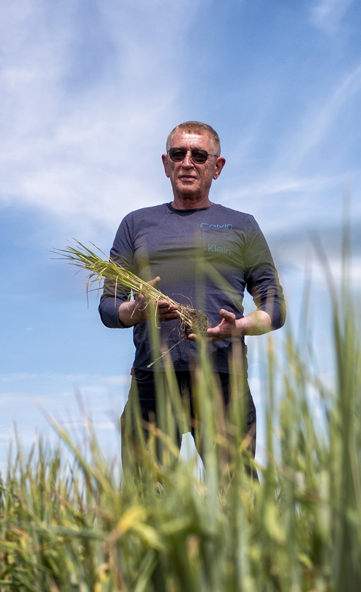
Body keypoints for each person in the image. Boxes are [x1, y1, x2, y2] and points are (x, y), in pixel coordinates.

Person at [98, 121, 284, 471]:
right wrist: (135, 312)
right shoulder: (135, 225)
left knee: (236, 498)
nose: (187, 162)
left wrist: (239, 327)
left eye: (199, 155)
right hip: (152, 379)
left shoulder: (242, 226)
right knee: (144, 499)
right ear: (166, 163)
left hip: (223, 380)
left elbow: (274, 306)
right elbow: (108, 307)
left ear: (217, 166)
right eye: (178, 154)